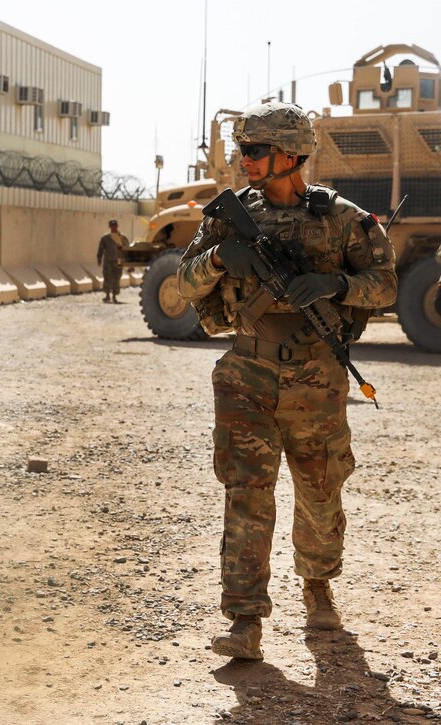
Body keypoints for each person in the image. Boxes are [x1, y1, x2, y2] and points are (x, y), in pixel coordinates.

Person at [176, 102, 396, 661]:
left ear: (292, 154)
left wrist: (333, 284)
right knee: (246, 494)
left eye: (256, 150)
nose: (244, 160)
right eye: (243, 148)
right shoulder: (227, 218)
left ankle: (318, 587)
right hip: (246, 372)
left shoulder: (344, 219)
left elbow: (385, 285)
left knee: (321, 491)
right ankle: (244, 620)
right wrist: (222, 259)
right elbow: (184, 283)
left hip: (317, 378)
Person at [97, 219, 127, 303]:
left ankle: (114, 296)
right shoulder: (105, 238)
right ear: (110, 227)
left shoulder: (122, 237)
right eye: (112, 226)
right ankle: (107, 295)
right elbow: (101, 248)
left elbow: (126, 249)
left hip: (118, 261)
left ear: (117, 226)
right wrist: (99, 258)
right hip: (108, 261)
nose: (114, 227)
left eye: (115, 225)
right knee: (107, 277)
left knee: (116, 278)